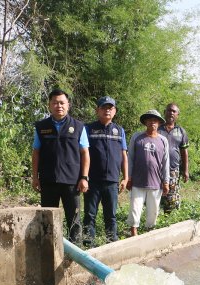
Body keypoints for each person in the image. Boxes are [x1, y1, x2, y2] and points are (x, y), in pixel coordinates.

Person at [32, 89, 90, 243]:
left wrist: (84, 177)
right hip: (48, 180)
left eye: (62, 103)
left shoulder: (78, 126)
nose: (59, 106)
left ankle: (75, 252)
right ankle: (49, 248)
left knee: (74, 219)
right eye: (55, 103)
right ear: (49, 106)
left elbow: (85, 153)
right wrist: (35, 177)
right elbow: (36, 152)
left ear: (68, 105)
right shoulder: (41, 126)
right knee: (47, 219)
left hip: (72, 182)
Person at [83, 96, 128, 245]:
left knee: (111, 216)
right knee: (90, 215)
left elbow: (124, 155)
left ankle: (112, 243)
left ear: (114, 111)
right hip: (92, 181)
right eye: (104, 107)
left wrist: (125, 178)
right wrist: (83, 177)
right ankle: (88, 244)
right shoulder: (88, 129)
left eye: (110, 108)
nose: (107, 110)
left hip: (112, 181)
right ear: (98, 110)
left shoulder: (119, 130)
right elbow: (83, 153)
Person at [126, 110, 170, 236]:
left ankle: (149, 232)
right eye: (150, 119)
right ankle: (134, 232)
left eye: (155, 120)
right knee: (135, 208)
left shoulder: (163, 140)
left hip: (156, 182)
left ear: (159, 123)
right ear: (145, 122)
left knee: (153, 211)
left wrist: (166, 181)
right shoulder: (137, 137)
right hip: (138, 181)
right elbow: (130, 158)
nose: (152, 122)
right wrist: (128, 178)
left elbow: (165, 162)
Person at [159, 102, 189, 213]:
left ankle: (170, 217)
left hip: (173, 170)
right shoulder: (157, 129)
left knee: (171, 197)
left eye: (174, 111)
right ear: (164, 112)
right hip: (157, 169)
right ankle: (155, 219)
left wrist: (185, 170)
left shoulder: (181, 131)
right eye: (169, 110)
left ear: (177, 115)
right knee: (156, 194)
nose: (171, 113)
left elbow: (184, 152)